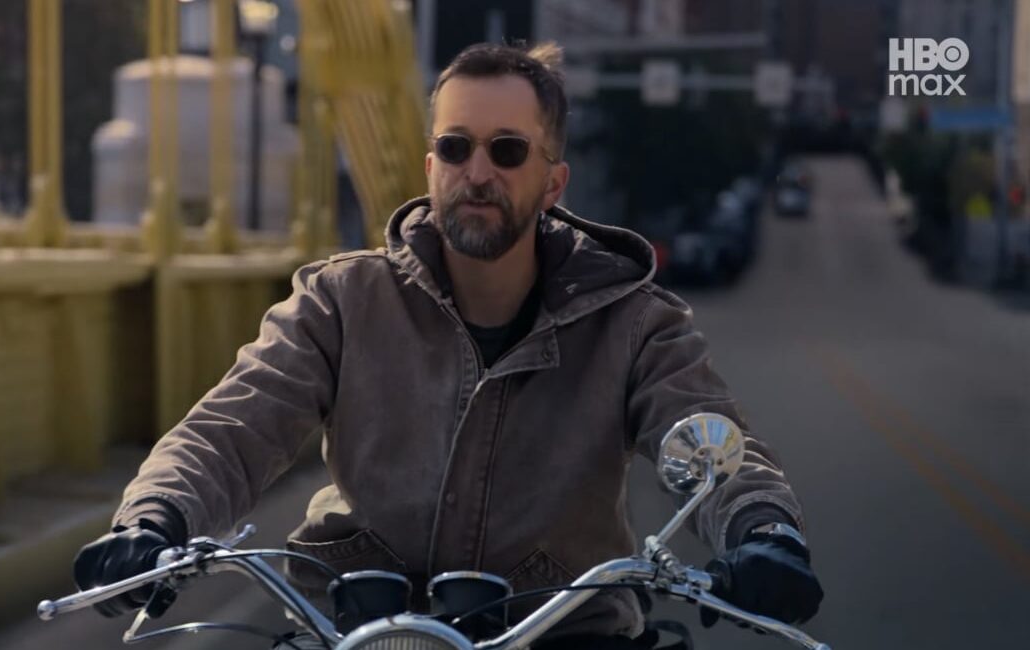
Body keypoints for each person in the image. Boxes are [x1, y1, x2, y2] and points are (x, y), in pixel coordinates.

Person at [73, 42, 823, 648]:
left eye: (507, 150)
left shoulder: (634, 323)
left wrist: (764, 530)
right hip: (354, 627)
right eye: (456, 146)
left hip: (563, 634)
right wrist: (155, 520)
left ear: (553, 182)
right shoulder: (342, 299)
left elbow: (710, 434)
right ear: (431, 167)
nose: (478, 172)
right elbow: (233, 425)